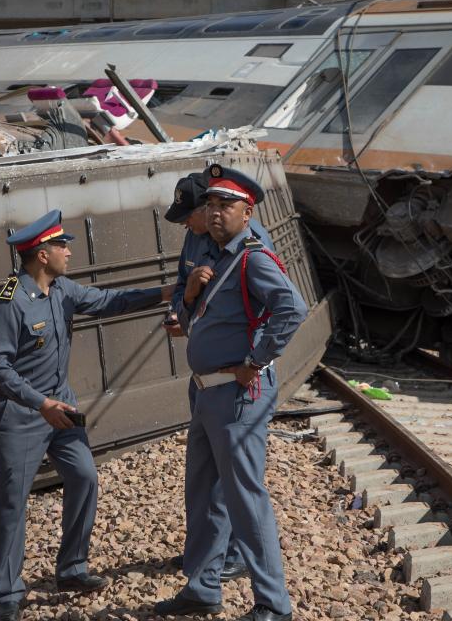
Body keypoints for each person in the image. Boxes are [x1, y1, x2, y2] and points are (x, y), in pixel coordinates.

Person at [0, 209, 172, 621]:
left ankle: (71, 569)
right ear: (41, 254)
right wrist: (41, 404)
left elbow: (109, 301)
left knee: (85, 476)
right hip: (23, 415)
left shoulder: (64, 290)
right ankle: (8, 594)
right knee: (13, 503)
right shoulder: (9, 301)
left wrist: (167, 292)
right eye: (61, 245)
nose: (68, 251)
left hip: (62, 408)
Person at [154, 165, 306, 621]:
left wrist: (256, 360)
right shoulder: (214, 257)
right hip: (206, 391)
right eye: (212, 205)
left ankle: (273, 605)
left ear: (248, 212)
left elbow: (291, 310)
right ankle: (202, 587)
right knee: (202, 493)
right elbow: (191, 310)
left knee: (244, 497)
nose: (216, 213)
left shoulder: (252, 257)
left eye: (226, 206)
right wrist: (191, 293)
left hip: (237, 392)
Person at [162, 172, 275, 583]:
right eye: (207, 209)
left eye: (213, 208)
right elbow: (183, 288)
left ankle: (235, 557)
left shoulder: (249, 248)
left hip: (237, 381)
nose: (194, 223)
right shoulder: (196, 239)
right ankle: (204, 558)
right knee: (204, 479)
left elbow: (273, 311)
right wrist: (184, 306)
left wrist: (254, 363)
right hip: (205, 380)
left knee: (237, 481)